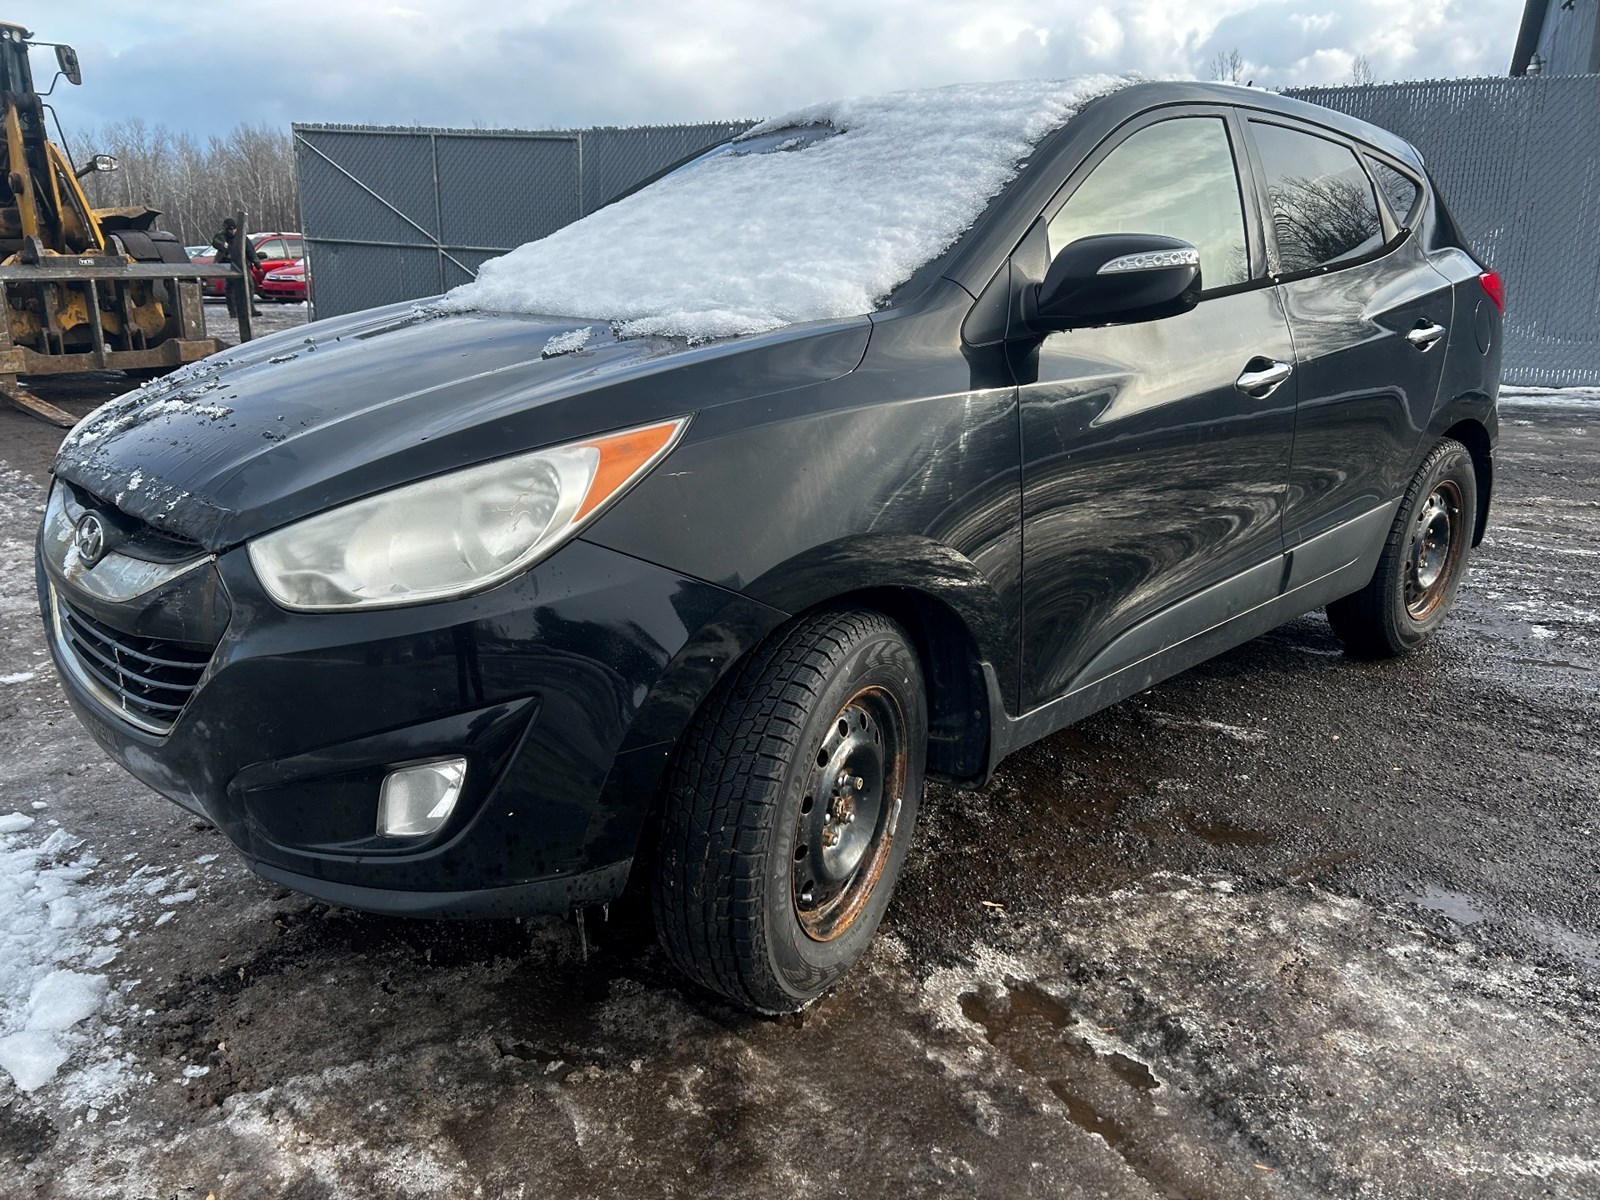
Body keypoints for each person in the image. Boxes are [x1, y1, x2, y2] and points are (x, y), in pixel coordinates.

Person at [211, 218, 262, 318]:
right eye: (230, 229)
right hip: (229, 265)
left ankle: (250, 309)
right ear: (226, 229)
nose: (233, 231)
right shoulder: (221, 237)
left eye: (234, 229)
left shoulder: (242, 238)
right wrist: (228, 248)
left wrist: (258, 266)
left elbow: (251, 252)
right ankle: (233, 312)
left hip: (242, 264)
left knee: (249, 287)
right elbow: (217, 243)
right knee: (231, 289)